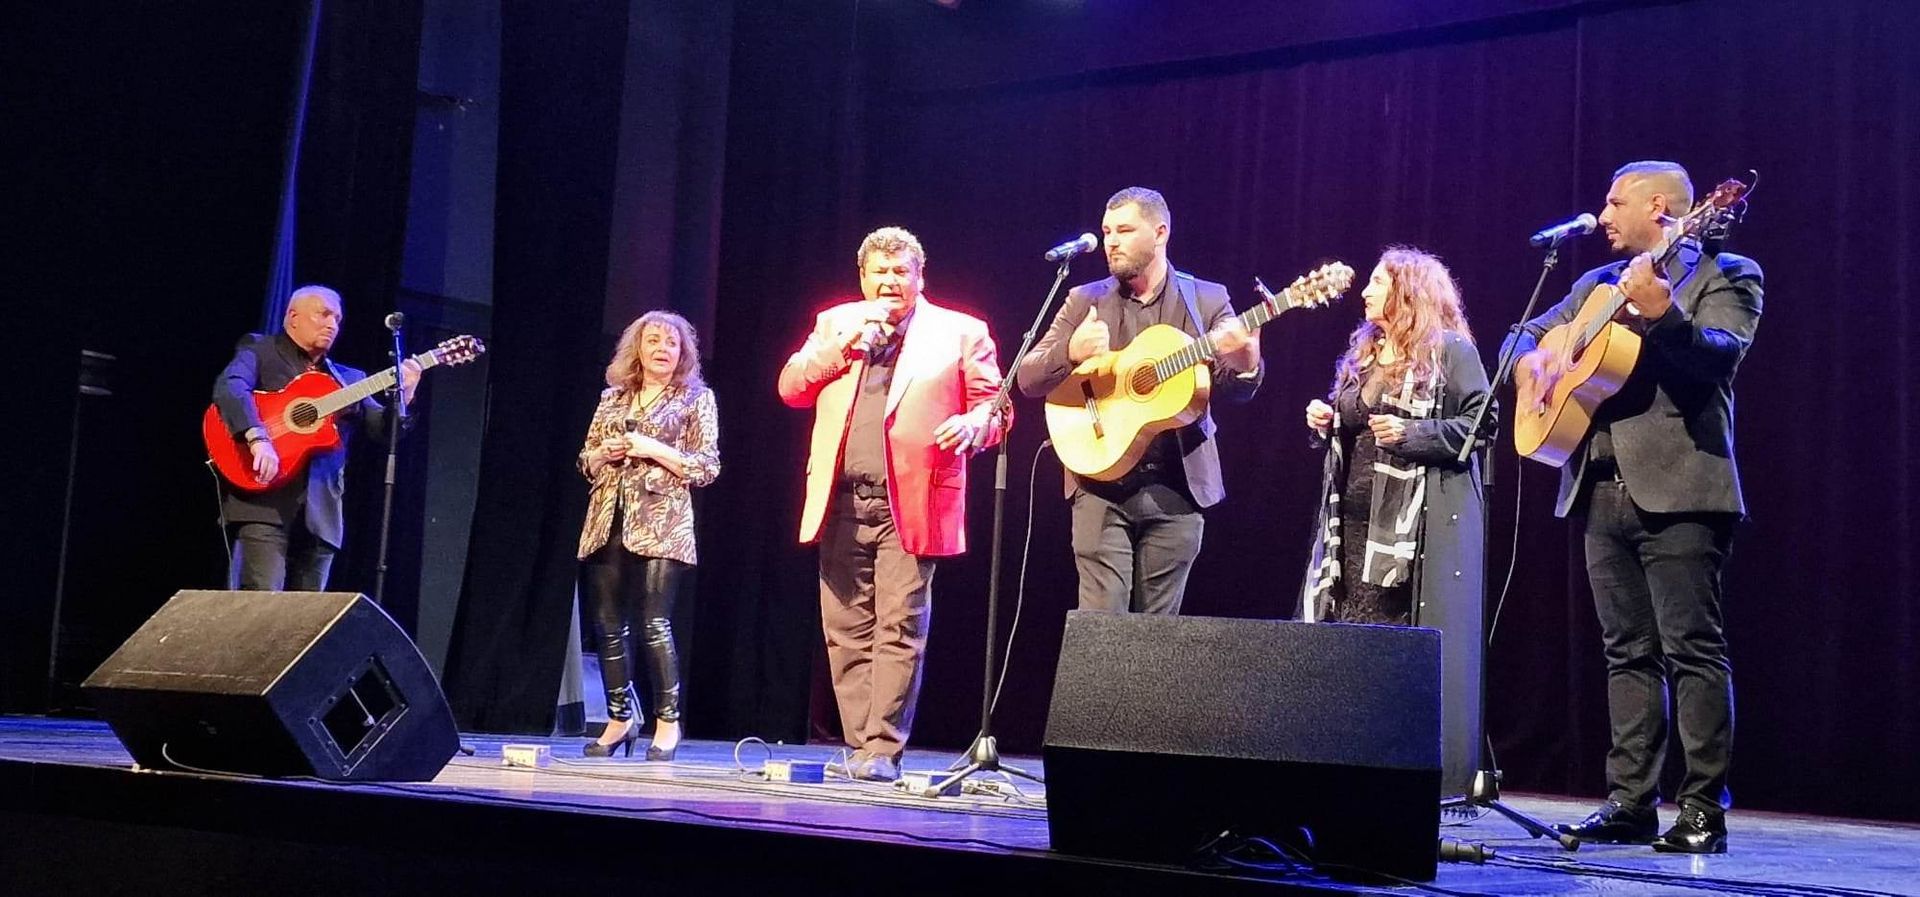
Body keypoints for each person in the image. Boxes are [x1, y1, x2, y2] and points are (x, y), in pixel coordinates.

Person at [1511, 161, 1763, 854]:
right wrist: (1535, 364)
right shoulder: (1596, 284)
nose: (1603, 214)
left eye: (1613, 201)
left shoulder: (1727, 273)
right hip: (1598, 487)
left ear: (1659, 207)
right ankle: (1629, 802)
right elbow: (1519, 336)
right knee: (1626, 653)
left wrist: (1663, 315)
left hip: (1682, 491)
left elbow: (1718, 358)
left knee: (1692, 651)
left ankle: (1702, 808)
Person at [778, 226, 1005, 782]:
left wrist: (975, 424)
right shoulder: (836, 324)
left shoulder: (960, 331)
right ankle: (861, 747)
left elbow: (996, 409)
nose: (890, 282)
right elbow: (792, 387)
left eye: (901, 271)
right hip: (839, 500)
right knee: (845, 627)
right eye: (879, 272)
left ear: (920, 276)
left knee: (898, 626)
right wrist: (845, 346)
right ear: (862, 277)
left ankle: (883, 747)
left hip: (911, 501)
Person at [1016, 187, 1261, 615]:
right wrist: (1070, 351)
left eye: (1125, 230)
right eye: (1107, 231)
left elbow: (1233, 387)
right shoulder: (1085, 299)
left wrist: (1245, 362)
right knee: (1101, 628)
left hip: (1178, 487)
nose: (1111, 241)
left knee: (1156, 637)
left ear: (1160, 232)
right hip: (1099, 484)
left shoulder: (1206, 300)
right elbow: (1027, 377)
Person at [1300, 246, 1490, 796]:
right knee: (1345, 639)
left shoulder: (1451, 352)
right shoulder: (1366, 354)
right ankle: (1345, 770)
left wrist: (1414, 434)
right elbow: (1352, 425)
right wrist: (1326, 420)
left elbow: (1481, 423)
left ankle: (1393, 777)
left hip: (1407, 533)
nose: (1365, 291)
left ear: (1409, 291)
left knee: (1389, 644)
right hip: (1350, 528)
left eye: (1378, 282)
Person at [575, 310, 720, 760]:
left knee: (654, 623)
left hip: (662, 522)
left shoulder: (696, 398)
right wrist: (603, 453)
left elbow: (707, 466)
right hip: (608, 518)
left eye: (671, 343)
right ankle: (620, 720)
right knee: (608, 626)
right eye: (653, 340)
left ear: (683, 353)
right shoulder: (613, 398)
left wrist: (653, 448)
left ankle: (668, 723)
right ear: (637, 348)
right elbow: (585, 460)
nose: (662, 349)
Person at [212, 285, 419, 591]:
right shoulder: (260, 350)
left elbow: (382, 430)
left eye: (337, 318)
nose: (332, 324)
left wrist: (405, 395)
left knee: (309, 617)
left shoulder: (349, 380)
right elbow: (230, 388)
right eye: (323, 314)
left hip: (321, 518)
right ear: (293, 317)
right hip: (264, 505)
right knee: (258, 610)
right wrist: (258, 438)